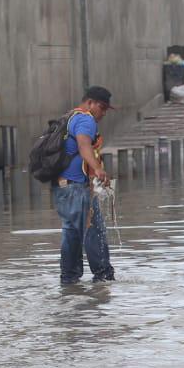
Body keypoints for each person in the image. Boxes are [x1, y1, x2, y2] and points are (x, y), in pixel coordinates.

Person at [56, 85, 117, 285]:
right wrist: (98, 168)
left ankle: (69, 281)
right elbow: (83, 144)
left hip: (65, 187)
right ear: (90, 103)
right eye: (102, 108)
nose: (104, 113)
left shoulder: (71, 117)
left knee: (72, 232)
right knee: (94, 231)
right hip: (76, 188)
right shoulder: (86, 119)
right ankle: (103, 277)